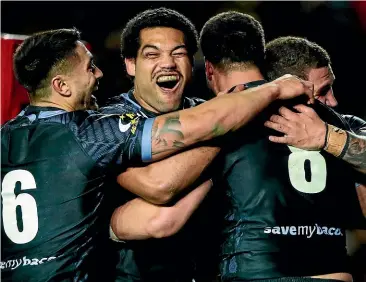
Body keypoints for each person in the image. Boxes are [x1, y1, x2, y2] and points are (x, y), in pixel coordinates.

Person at [0, 26, 313, 281]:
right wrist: (270, 89)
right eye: (89, 67)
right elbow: (203, 125)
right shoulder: (90, 132)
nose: (98, 75)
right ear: (62, 86)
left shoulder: (4, 136)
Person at [198, 11, 365, 281]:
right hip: (332, 272)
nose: (332, 101)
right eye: (323, 91)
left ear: (209, 68)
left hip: (255, 270)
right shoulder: (334, 122)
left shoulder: (213, 119)